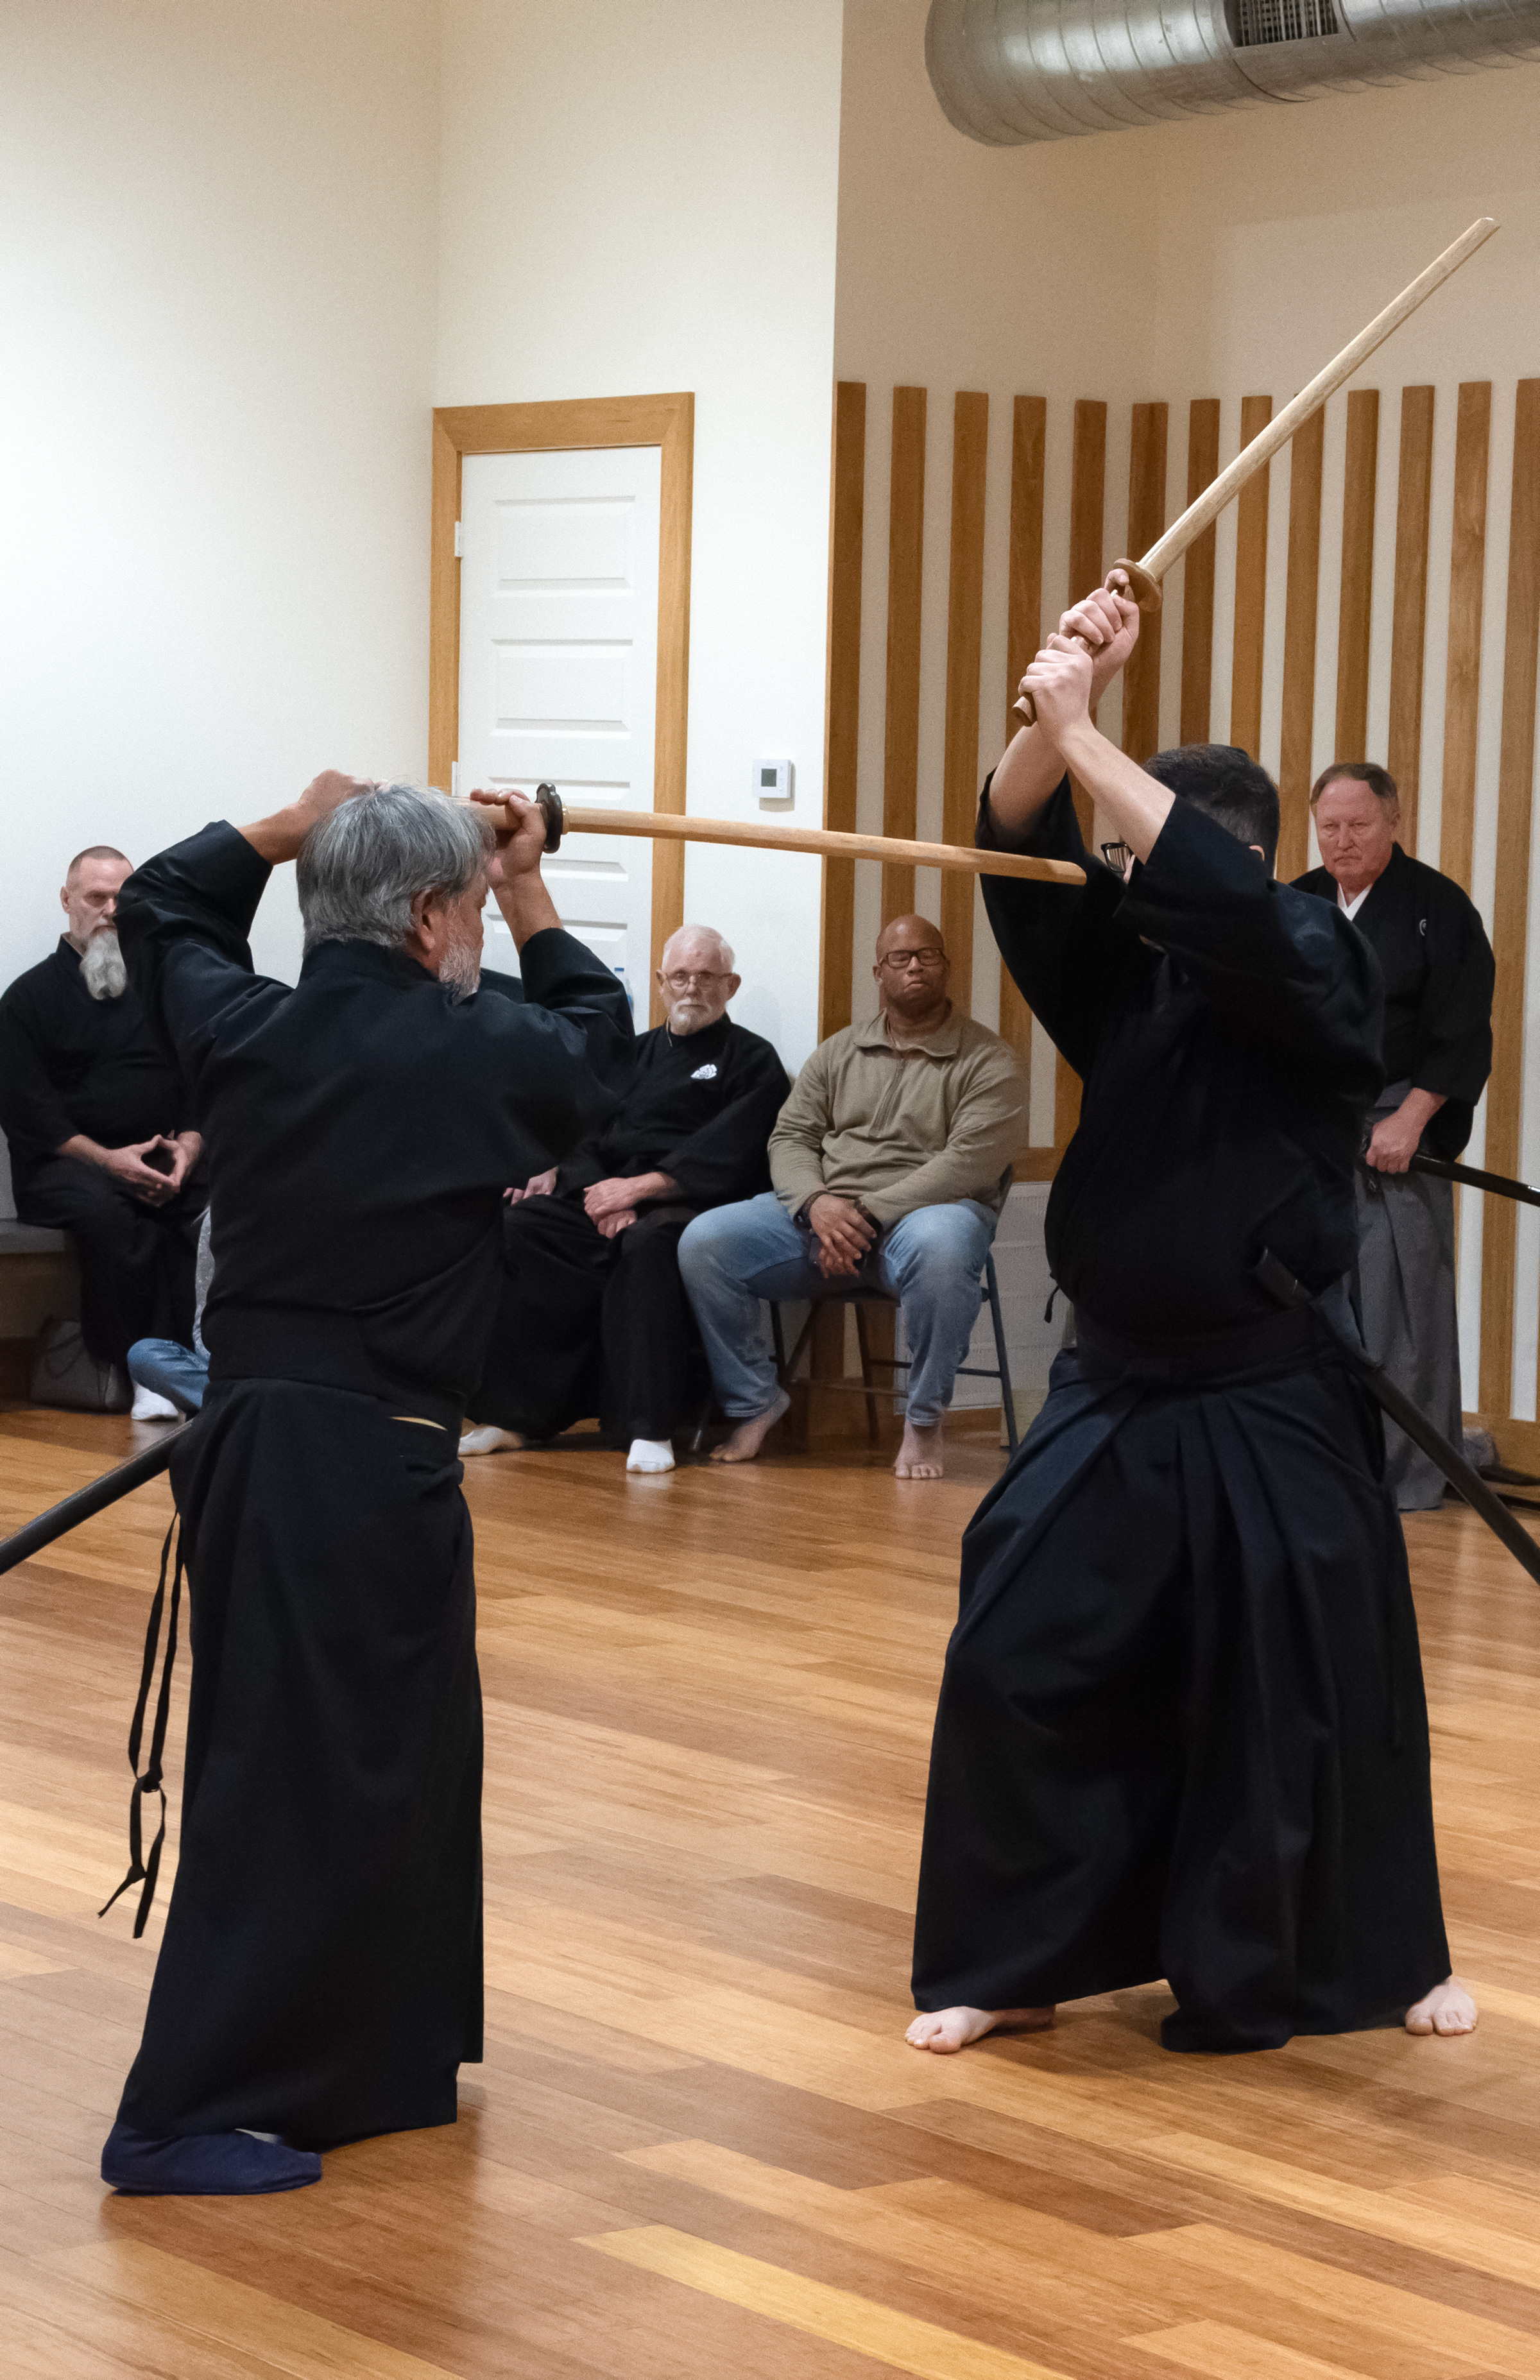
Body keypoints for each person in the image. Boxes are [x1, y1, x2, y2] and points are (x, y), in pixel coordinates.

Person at [906, 588, 1473, 2060]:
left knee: (1300, 1693)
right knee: (1014, 1641)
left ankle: (1364, 1956)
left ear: (1229, 854)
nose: (1115, 884)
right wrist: (1053, 707)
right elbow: (1012, 854)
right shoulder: (1134, 970)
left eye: (1137, 853)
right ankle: (1019, 1952)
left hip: (1263, 1386)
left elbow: (1226, 910)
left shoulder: (1314, 963)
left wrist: (1086, 731)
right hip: (1116, 1383)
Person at [99, 775, 631, 2198]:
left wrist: (289, 823)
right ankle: (172, 2115)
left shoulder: (251, 1026)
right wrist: (529, 884)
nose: (471, 925)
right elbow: (599, 1043)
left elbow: (159, 903)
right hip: (343, 1460)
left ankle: (370, 2063)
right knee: (293, 1777)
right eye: (460, 904)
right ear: (426, 914)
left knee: (390, 1762)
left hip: (280, 1453)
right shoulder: (471, 1049)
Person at [678, 915, 1025, 1480]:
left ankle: (923, 1421)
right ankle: (755, 1401)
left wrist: (864, 1213)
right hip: (824, 1218)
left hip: (922, 1221)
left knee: (945, 1245)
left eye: (928, 955)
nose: (915, 965)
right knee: (705, 1242)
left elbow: (970, 1163)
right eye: (900, 958)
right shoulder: (838, 1053)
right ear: (877, 973)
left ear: (946, 967)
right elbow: (790, 1138)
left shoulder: (990, 1061)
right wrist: (817, 1205)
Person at [460, 925, 787, 1474]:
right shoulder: (631, 1054)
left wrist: (642, 1190)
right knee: (526, 1227)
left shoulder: (752, 1060)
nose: (692, 987)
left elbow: (735, 1147)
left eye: (706, 976)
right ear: (660, 982)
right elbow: (586, 1128)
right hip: (608, 1195)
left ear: (730, 985)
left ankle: (650, 1428)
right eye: (680, 975)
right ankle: (516, 1415)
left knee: (647, 1242)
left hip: (694, 1204)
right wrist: (595, 1189)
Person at [1294, 764, 1494, 1510]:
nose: (1342, 840)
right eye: (1329, 826)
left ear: (1395, 821)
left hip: (1395, 1124)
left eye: (1359, 825)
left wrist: (1411, 1118)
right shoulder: (1300, 901)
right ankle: (1319, 1463)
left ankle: (1405, 1475)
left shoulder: (1437, 908)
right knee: (1307, 1299)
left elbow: (1462, 1029)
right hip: (1307, 1129)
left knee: (1397, 1305)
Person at [0, 845, 205, 1417]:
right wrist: (111, 1161)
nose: (112, 909)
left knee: (216, 1209)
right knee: (117, 1216)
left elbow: (200, 1083)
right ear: (68, 902)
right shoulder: (27, 999)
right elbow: (30, 1113)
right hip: (65, 1166)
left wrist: (187, 1147)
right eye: (97, 897)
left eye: (124, 897)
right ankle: (144, 1373)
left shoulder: (168, 985)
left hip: (166, 1154)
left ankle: (211, 1366)